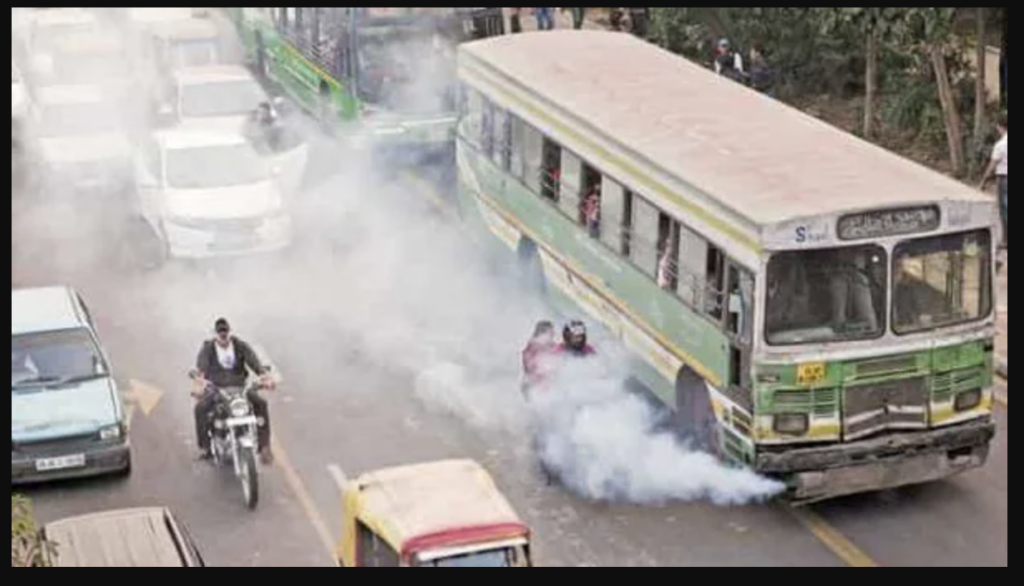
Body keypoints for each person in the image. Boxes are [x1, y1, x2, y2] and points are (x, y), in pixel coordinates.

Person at [193, 318, 275, 464]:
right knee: (200, 409)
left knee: (261, 404)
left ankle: (264, 447)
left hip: (240, 388)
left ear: (229, 332)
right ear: (215, 334)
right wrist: (199, 383)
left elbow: (255, 363)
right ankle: (205, 448)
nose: (223, 336)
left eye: (225, 332)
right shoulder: (208, 348)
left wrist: (265, 377)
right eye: (220, 332)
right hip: (217, 389)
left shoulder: (240, 346)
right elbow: (201, 368)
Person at [979, 113, 1008, 249]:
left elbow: (992, 165)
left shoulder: (1001, 145)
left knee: (1005, 209)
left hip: (1004, 179)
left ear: (1000, 127)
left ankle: (1006, 241)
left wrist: (983, 181)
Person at [521, 320, 559, 395]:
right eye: (550, 332)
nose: (553, 334)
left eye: (552, 332)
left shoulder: (553, 346)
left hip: (546, 385)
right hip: (533, 385)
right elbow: (529, 366)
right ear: (541, 333)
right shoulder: (532, 347)